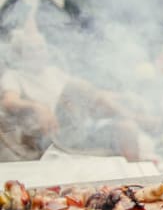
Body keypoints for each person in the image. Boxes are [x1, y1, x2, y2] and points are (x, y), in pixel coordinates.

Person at [0, 28, 155, 161]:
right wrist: (37, 106)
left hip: (74, 130)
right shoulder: (14, 76)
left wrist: (122, 96)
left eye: (41, 48)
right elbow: (9, 101)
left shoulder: (53, 72)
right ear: (19, 53)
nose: (38, 53)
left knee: (126, 128)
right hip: (45, 135)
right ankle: (136, 118)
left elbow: (91, 94)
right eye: (31, 49)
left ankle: (138, 186)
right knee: (75, 86)